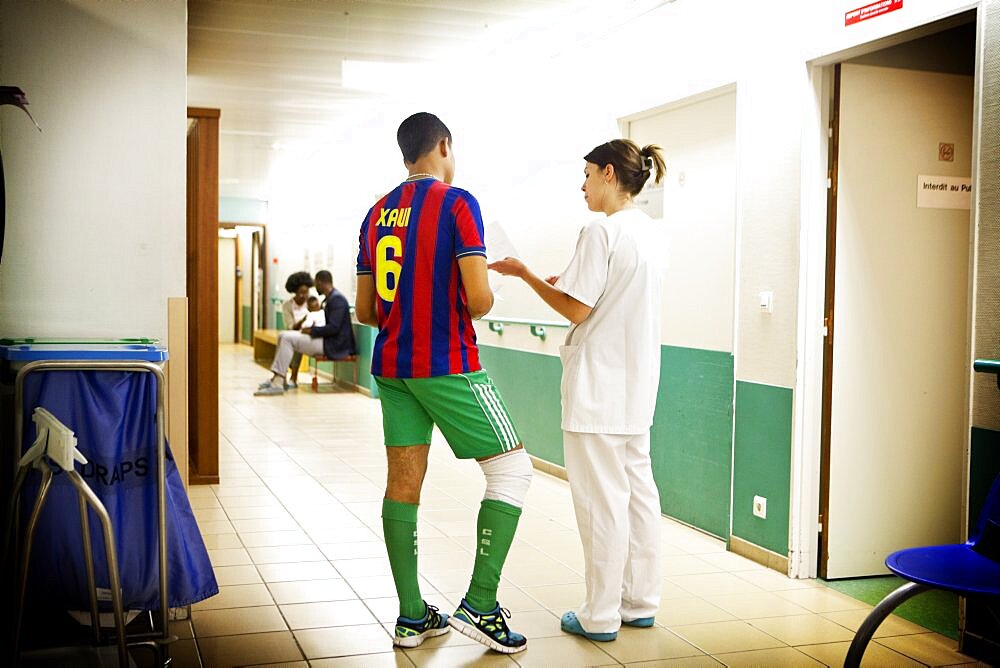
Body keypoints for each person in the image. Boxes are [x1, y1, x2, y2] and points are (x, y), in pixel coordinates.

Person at [354, 112, 531, 654]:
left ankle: (412, 617)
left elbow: (366, 309)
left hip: (391, 365)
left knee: (403, 482)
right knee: (512, 470)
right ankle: (480, 603)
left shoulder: (375, 213)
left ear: (405, 154)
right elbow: (479, 301)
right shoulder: (458, 203)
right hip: (447, 361)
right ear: (444, 146)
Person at [489, 139, 666, 642]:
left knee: (600, 505)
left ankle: (600, 615)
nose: (582, 185)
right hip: (636, 391)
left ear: (609, 174)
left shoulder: (599, 228)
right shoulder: (650, 233)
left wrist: (523, 275)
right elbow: (608, 298)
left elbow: (576, 310)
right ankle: (639, 602)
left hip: (598, 393)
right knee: (637, 498)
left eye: (587, 174)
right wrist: (564, 284)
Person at [255, 270, 355, 396]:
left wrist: (311, 331)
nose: (314, 287)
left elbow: (334, 328)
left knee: (287, 338)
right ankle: (278, 378)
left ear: (319, 282)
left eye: (315, 284)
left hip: (335, 345)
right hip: (328, 341)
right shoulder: (331, 298)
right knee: (284, 335)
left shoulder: (337, 300)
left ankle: (278, 382)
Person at [260, 271, 313, 390]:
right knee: (285, 338)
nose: (304, 295)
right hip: (294, 332)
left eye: (306, 292)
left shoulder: (311, 303)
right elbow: (291, 326)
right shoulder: (287, 305)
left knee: (296, 342)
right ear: (295, 292)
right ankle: (279, 376)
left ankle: (292, 377)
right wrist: (303, 320)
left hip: (310, 335)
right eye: (301, 292)